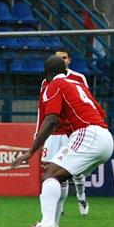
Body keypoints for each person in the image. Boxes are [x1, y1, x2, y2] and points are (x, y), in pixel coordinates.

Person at [12, 55, 113, 227]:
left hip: (88, 133)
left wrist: (31, 150)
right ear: (65, 70)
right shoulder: (78, 84)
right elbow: (100, 112)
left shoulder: (54, 86)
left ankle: (47, 223)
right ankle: (54, 225)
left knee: (49, 175)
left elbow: (51, 120)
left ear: (46, 74)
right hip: (105, 136)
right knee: (59, 177)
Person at [36, 48, 91, 218]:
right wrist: (38, 135)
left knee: (75, 172)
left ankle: (81, 197)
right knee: (51, 173)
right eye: (59, 58)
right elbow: (42, 110)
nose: (62, 60)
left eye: (64, 57)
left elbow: (85, 103)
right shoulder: (46, 82)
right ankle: (55, 213)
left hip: (71, 132)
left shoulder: (78, 78)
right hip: (52, 134)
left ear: (69, 60)